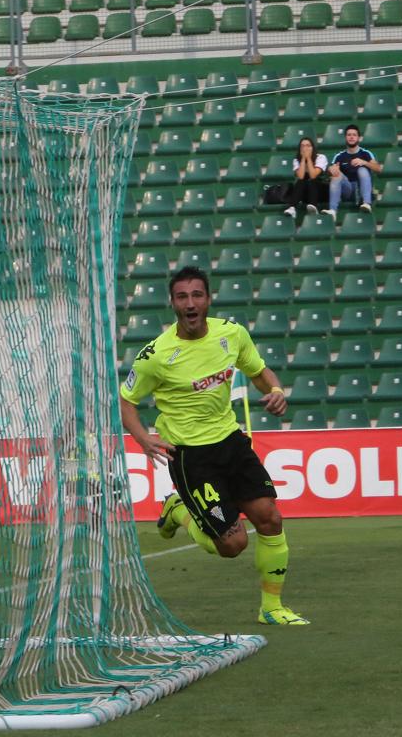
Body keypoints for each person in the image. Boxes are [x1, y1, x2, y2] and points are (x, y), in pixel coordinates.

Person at [119, 265, 309, 626]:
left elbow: (259, 371)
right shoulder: (156, 355)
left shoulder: (232, 335)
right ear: (173, 303)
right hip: (192, 458)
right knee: (232, 545)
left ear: (208, 299)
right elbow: (126, 400)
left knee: (270, 519)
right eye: (182, 296)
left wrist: (275, 390)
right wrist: (143, 438)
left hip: (231, 444)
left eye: (197, 295)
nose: (190, 303)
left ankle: (272, 608)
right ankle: (177, 510)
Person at [327, 123, 382, 216]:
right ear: (345, 138)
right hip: (348, 189)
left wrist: (364, 162)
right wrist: (331, 169)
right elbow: (331, 169)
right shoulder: (339, 156)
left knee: (362, 170)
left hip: (362, 188)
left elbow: (378, 169)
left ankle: (366, 203)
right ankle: (333, 211)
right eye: (349, 135)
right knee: (336, 175)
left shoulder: (366, 153)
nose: (351, 137)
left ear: (359, 138)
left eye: (354, 135)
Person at [284, 136, 328, 218]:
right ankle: (292, 208)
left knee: (312, 180)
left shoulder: (321, 157)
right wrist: (304, 159)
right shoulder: (296, 160)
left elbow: (313, 175)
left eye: (308, 145)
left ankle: (313, 207)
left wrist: (308, 158)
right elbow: (300, 176)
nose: (305, 148)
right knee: (301, 181)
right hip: (305, 193)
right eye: (302, 146)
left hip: (320, 190)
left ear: (312, 147)